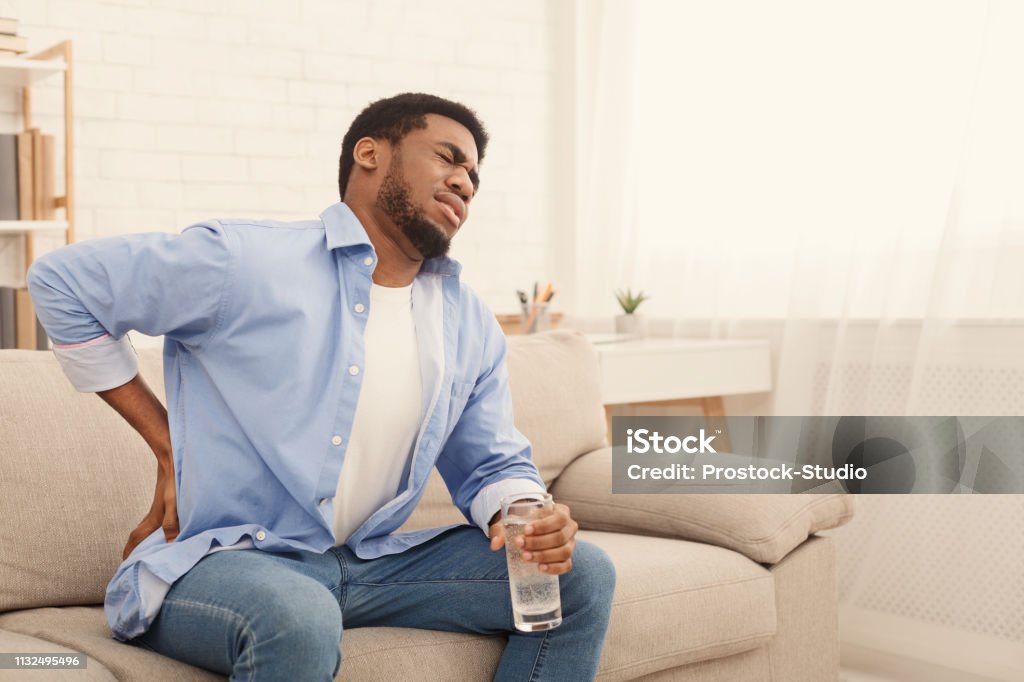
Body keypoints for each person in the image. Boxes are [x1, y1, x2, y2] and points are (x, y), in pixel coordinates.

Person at [27, 92, 615, 681]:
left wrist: (529, 514)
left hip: (366, 564)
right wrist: (166, 444)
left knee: (580, 578)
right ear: (370, 154)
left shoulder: (467, 322)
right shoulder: (247, 261)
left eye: (473, 177)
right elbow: (62, 283)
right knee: (298, 614)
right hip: (226, 561)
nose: (464, 181)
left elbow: (491, 463)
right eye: (446, 157)